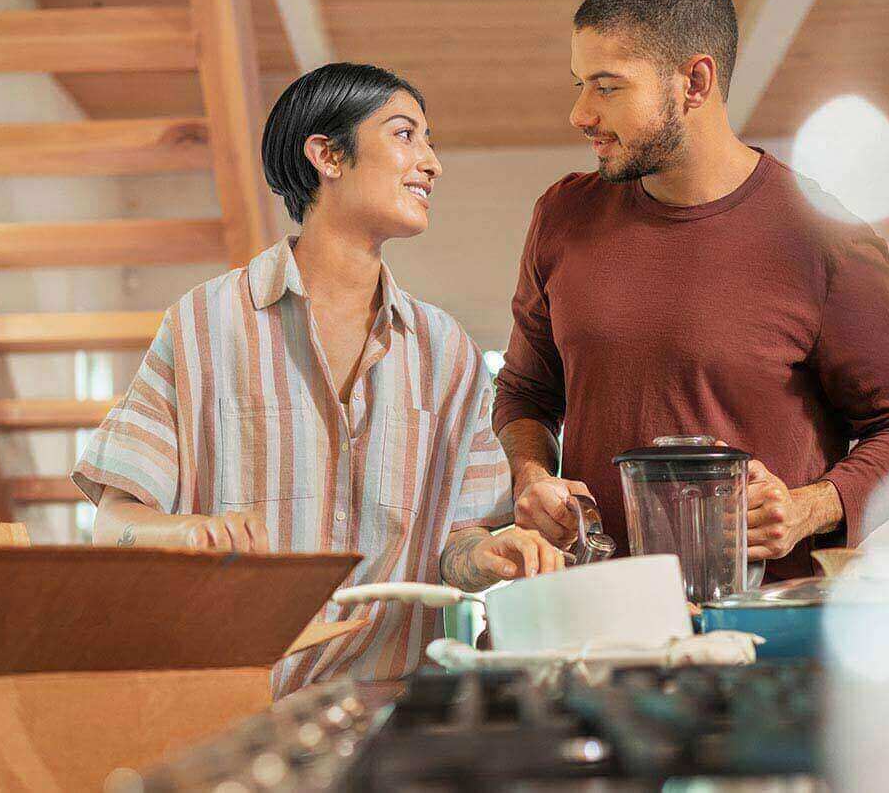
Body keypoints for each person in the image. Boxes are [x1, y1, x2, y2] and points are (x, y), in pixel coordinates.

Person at [72, 63, 559, 697]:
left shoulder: (447, 352)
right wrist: (189, 533)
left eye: (429, 141)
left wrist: (491, 556)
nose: (432, 163)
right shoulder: (204, 325)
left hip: (389, 712)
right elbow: (113, 524)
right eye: (405, 135)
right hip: (230, 708)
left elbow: (457, 548)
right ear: (327, 155)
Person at [495, 0, 889, 580]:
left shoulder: (824, 237)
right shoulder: (562, 215)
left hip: (764, 622)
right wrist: (532, 475)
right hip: (602, 613)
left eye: (607, 86)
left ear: (695, 83)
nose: (581, 114)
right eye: (580, 84)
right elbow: (525, 393)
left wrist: (809, 507)